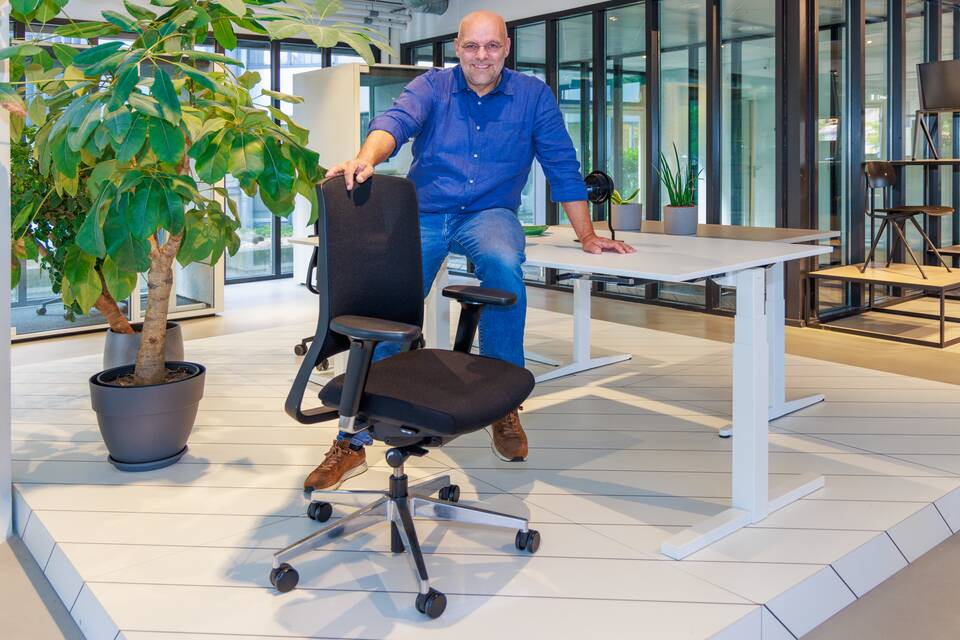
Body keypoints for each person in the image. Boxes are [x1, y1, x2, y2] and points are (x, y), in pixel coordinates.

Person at [303, 10, 635, 491]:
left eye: (492, 46)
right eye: (472, 46)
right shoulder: (432, 86)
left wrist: (587, 235)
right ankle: (352, 436)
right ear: (458, 48)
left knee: (503, 265)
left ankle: (504, 407)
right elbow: (394, 122)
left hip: (489, 213)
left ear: (506, 48)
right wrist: (365, 158)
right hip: (424, 211)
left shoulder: (533, 96)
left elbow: (562, 165)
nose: (482, 56)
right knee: (387, 306)